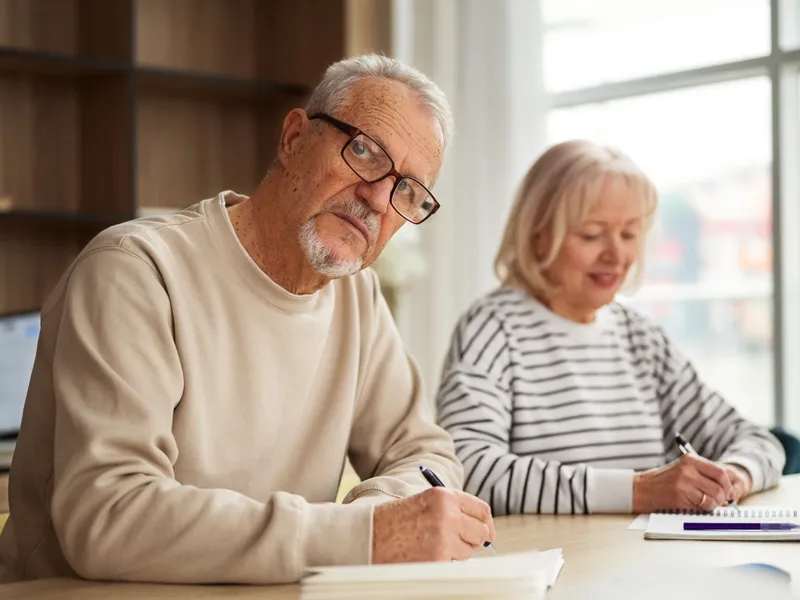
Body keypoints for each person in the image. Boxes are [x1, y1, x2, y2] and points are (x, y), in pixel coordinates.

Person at [0, 54, 495, 585]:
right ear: (293, 139)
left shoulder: (358, 296)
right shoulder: (135, 270)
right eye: (364, 152)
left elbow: (424, 453)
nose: (377, 197)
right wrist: (362, 535)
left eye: (408, 192)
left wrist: (378, 510)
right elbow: (109, 516)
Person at [436, 140, 785, 516]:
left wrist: (734, 476)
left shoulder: (642, 339)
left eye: (629, 234)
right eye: (591, 234)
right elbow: (467, 467)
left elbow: (757, 441)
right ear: (538, 236)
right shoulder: (493, 329)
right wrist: (639, 491)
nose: (616, 255)